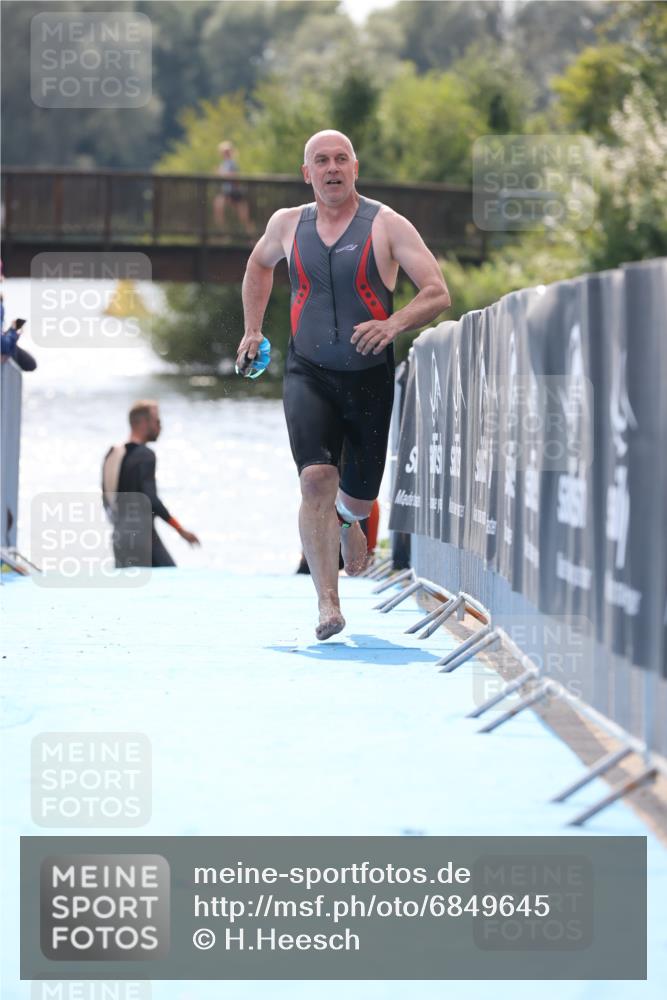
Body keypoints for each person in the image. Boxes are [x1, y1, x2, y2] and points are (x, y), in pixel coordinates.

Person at [235, 129, 451, 640]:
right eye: (320, 161)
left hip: (369, 377)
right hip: (307, 371)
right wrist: (251, 329)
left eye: (340, 160)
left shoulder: (387, 225)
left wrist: (394, 324)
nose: (331, 168)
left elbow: (437, 291)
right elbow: (257, 267)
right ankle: (327, 604)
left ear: (355, 168)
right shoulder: (287, 224)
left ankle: (350, 522)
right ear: (306, 173)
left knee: (357, 497)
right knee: (314, 479)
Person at [102, 400, 200, 568]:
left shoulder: (113, 454)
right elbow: (151, 499)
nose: (160, 427)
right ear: (144, 423)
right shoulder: (146, 455)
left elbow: (106, 498)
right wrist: (180, 529)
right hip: (142, 536)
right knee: (170, 579)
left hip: (120, 537)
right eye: (157, 421)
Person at [213, 140, 253, 235]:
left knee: (243, 217)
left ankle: (252, 236)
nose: (225, 153)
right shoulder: (224, 163)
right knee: (218, 208)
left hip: (235, 193)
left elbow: (233, 176)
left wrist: (221, 173)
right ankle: (223, 233)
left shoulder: (232, 163)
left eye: (227, 151)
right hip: (227, 193)